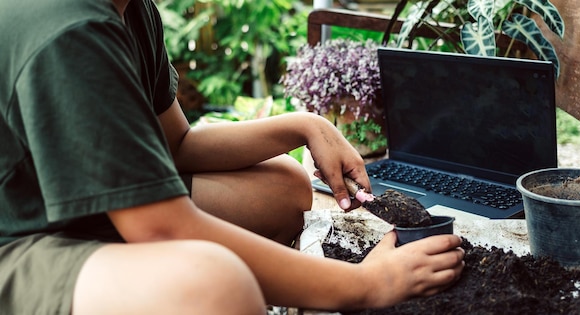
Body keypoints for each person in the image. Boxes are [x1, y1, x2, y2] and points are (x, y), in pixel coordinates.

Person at [0, 0, 465, 314]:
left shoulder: (132, 11)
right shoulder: (73, 30)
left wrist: (306, 125)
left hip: (76, 207)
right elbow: (160, 226)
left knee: (284, 186)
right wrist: (365, 286)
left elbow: (175, 146)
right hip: (18, 238)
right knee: (214, 287)